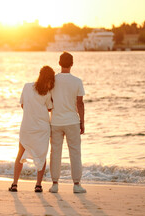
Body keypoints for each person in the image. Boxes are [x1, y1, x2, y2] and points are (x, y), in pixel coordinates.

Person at [9, 66, 55, 193]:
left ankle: (14, 184)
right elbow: (50, 108)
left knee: (20, 153)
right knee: (41, 155)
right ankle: (38, 185)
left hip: (27, 127)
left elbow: (23, 105)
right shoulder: (48, 92)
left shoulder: (27, 87)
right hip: (42, 128)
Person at [49, 51, 86, 193]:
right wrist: (82, 122)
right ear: (72, 64)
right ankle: (76, 185)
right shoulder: (77, 81)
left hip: (56, 121)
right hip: (72, 121)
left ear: (59, 63)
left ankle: (55, 184)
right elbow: (80, 104)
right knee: (75, 152)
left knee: (55, 153)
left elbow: (50, 100)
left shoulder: (53, 80)